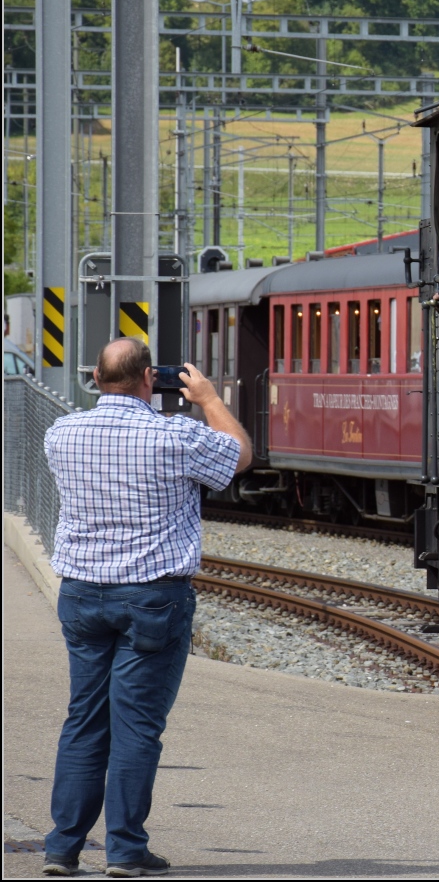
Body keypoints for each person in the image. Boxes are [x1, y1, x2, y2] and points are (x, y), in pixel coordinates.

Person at [41, 340, 251, 879]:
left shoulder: (61, 433)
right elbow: (239, 456)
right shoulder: (174, 435)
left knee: (84, 720)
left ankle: (63, 848)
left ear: (94, 377)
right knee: (136, 727)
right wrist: (206, 398)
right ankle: (126, 850)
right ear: (148, 380)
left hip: (82, 593)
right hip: (153, 597)